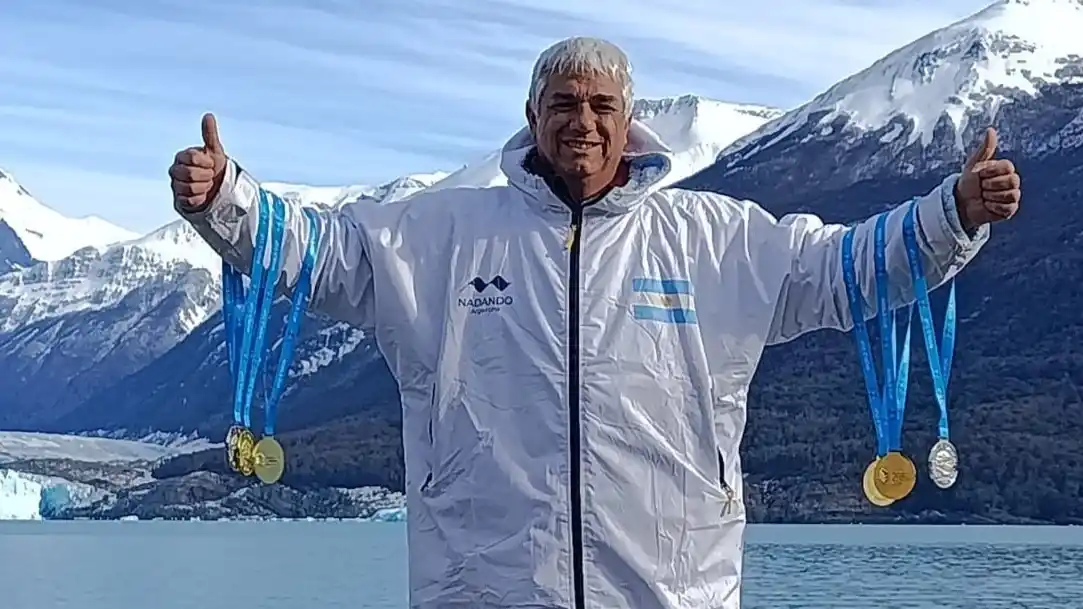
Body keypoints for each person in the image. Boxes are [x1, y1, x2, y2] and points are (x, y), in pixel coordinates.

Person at [170, 37, 1021, 609]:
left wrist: (952, 213)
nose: (582, 120)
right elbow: (319, 253)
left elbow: (845, 269)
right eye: (564, 102)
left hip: (670, 590)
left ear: (628, 120)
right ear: (533, 115)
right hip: (484, 588)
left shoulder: (715, 240)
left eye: (601, 106)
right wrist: (227, 202)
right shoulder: (438, 235)